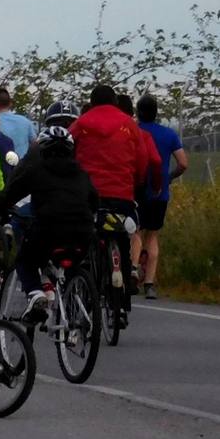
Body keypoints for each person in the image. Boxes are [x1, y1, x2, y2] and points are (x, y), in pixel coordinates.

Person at [0, 127, 97, 323]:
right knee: (70, 262)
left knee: (25, 261)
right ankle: (70, 302)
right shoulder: (81, 173)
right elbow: (95, 201)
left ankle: (37, 294)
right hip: (83, 232)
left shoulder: (36, 171)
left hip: (49, 230)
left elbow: (8, 197)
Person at [70, 84, 152, 315]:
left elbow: (68, 149)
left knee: (85, 239)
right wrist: (138, 183)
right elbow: (142, 160)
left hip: (88, 195)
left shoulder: (82, 123)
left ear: (92, 101)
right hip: (121, 194)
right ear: (115, 102)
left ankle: (86, 288)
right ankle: (123, 300)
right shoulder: (129, 125)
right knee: (123, 239)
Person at [132, 95, 185, 300]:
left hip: (137, 190)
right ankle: (150, 284)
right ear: (156, 112)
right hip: (160, 192)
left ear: (138, 111)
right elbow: (183, 163)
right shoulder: (169, 134)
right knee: (152, 236)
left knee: (134, 231)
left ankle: (133, 269)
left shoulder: (134, 131)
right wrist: (168, 177)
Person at [0, 88, 34, 158]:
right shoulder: (25, 121)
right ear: (10, 103)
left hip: (2, 167)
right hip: (23, 166)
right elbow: (34, 143)